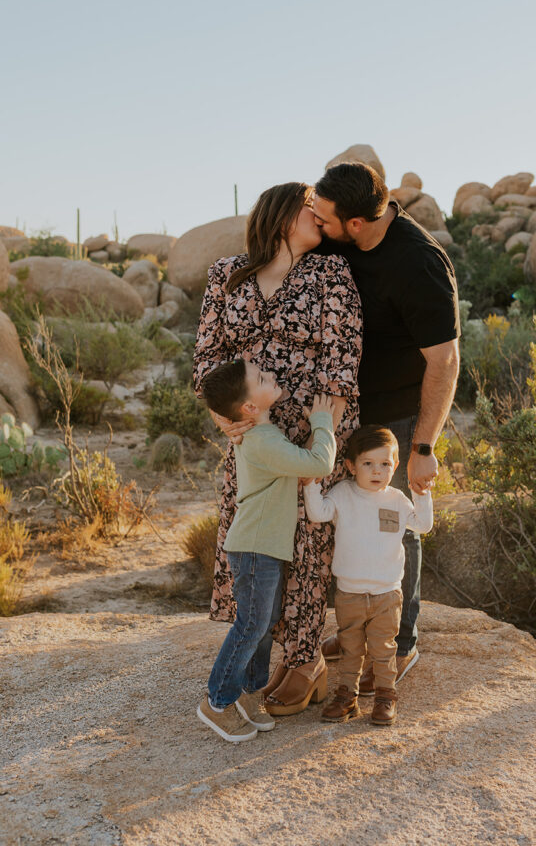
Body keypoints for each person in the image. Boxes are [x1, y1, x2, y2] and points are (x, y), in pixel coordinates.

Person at [193, 182, 362, 715]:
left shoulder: (330, 274)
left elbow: (343, 354)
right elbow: (206, 361)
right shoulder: (226, 275)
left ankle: (306, 657)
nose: (319, 215)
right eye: (309, 207)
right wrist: (224, 416)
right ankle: (258, 662)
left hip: (311, 435)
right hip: (251, 438)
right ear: (283, 215)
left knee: (309, 545)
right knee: (258, 544)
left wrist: (325, 431)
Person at [311, 162, 460, 692]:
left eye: (324, 218)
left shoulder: (418, 262)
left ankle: (399, 642)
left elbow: (444, 361)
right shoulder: (337, 240)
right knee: (342, 515)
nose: (317, 224)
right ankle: (357, 629)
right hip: (341, 406)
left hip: (398, 415)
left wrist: (423, 445)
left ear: (354, 224)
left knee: (392, 519)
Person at [196, 359, 337, 742]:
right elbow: (320, 462)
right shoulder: (262, 440)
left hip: (262, 546)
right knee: (252, 624)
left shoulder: (261, 434)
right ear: (249, 408)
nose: (271, 375)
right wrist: (324, 421)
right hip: (255, 547)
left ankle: (249, 695)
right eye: (261, 378)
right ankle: (218, 702)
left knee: (263, 621)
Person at [304, 425, 433, 726]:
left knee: (383, 649)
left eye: (385, 464)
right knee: (350, 648)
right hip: (349, 592)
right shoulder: (343, 493)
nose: (377, 471)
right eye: (368, 464)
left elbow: (423, 525)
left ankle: (386, 697)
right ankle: (347, 696)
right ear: (351, 465)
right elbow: (318, 513)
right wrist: (311, 484)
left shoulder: (398, 499)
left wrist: (421, 493)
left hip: (387, 594)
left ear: (395, 466)